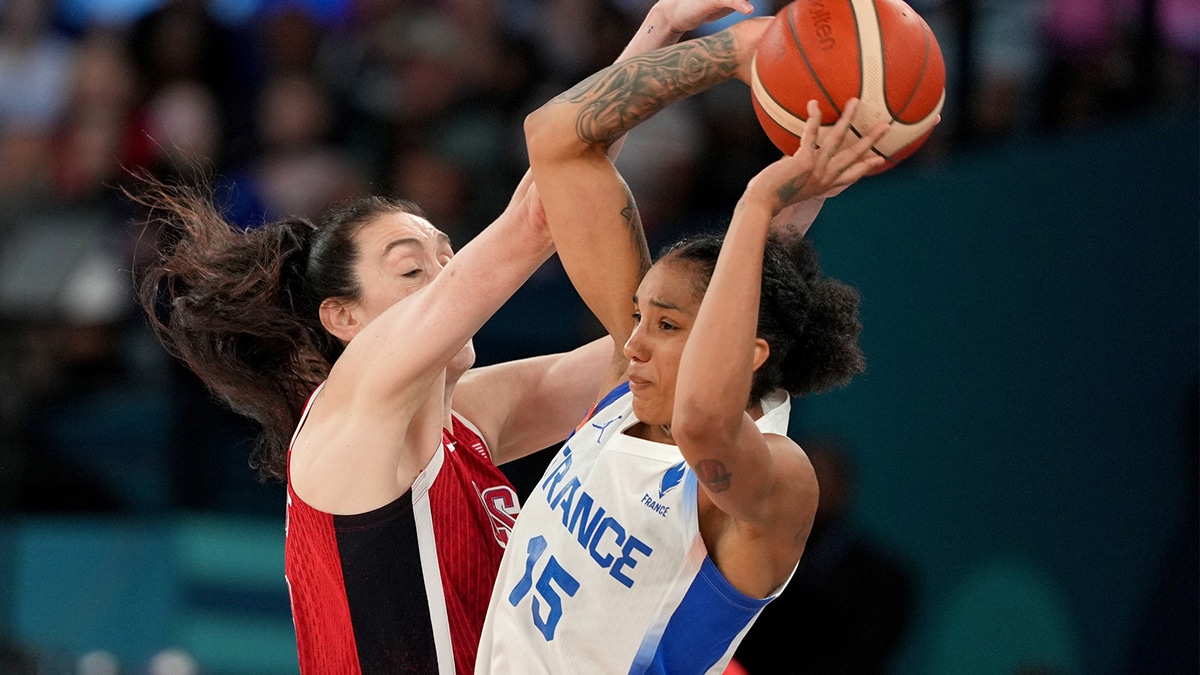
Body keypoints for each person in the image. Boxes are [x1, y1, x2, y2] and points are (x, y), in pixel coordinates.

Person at [129, 0, 759, 672]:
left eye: (447, 255)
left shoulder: (469, 422)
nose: (446, 275)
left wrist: (788, 196)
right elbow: (541, 212)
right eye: (410, 265)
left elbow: (666, 347)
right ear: (343, 318)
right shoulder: (348, 414)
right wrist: (685, 41)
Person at [475, 14, 890, 673]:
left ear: (750, 352)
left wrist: (755, 206)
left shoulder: (780, 477)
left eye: (664, 324)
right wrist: (725, 52)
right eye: (638, 316)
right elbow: (552, 138)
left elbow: (704, 421)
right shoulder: (630, 385)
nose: (630, 343)